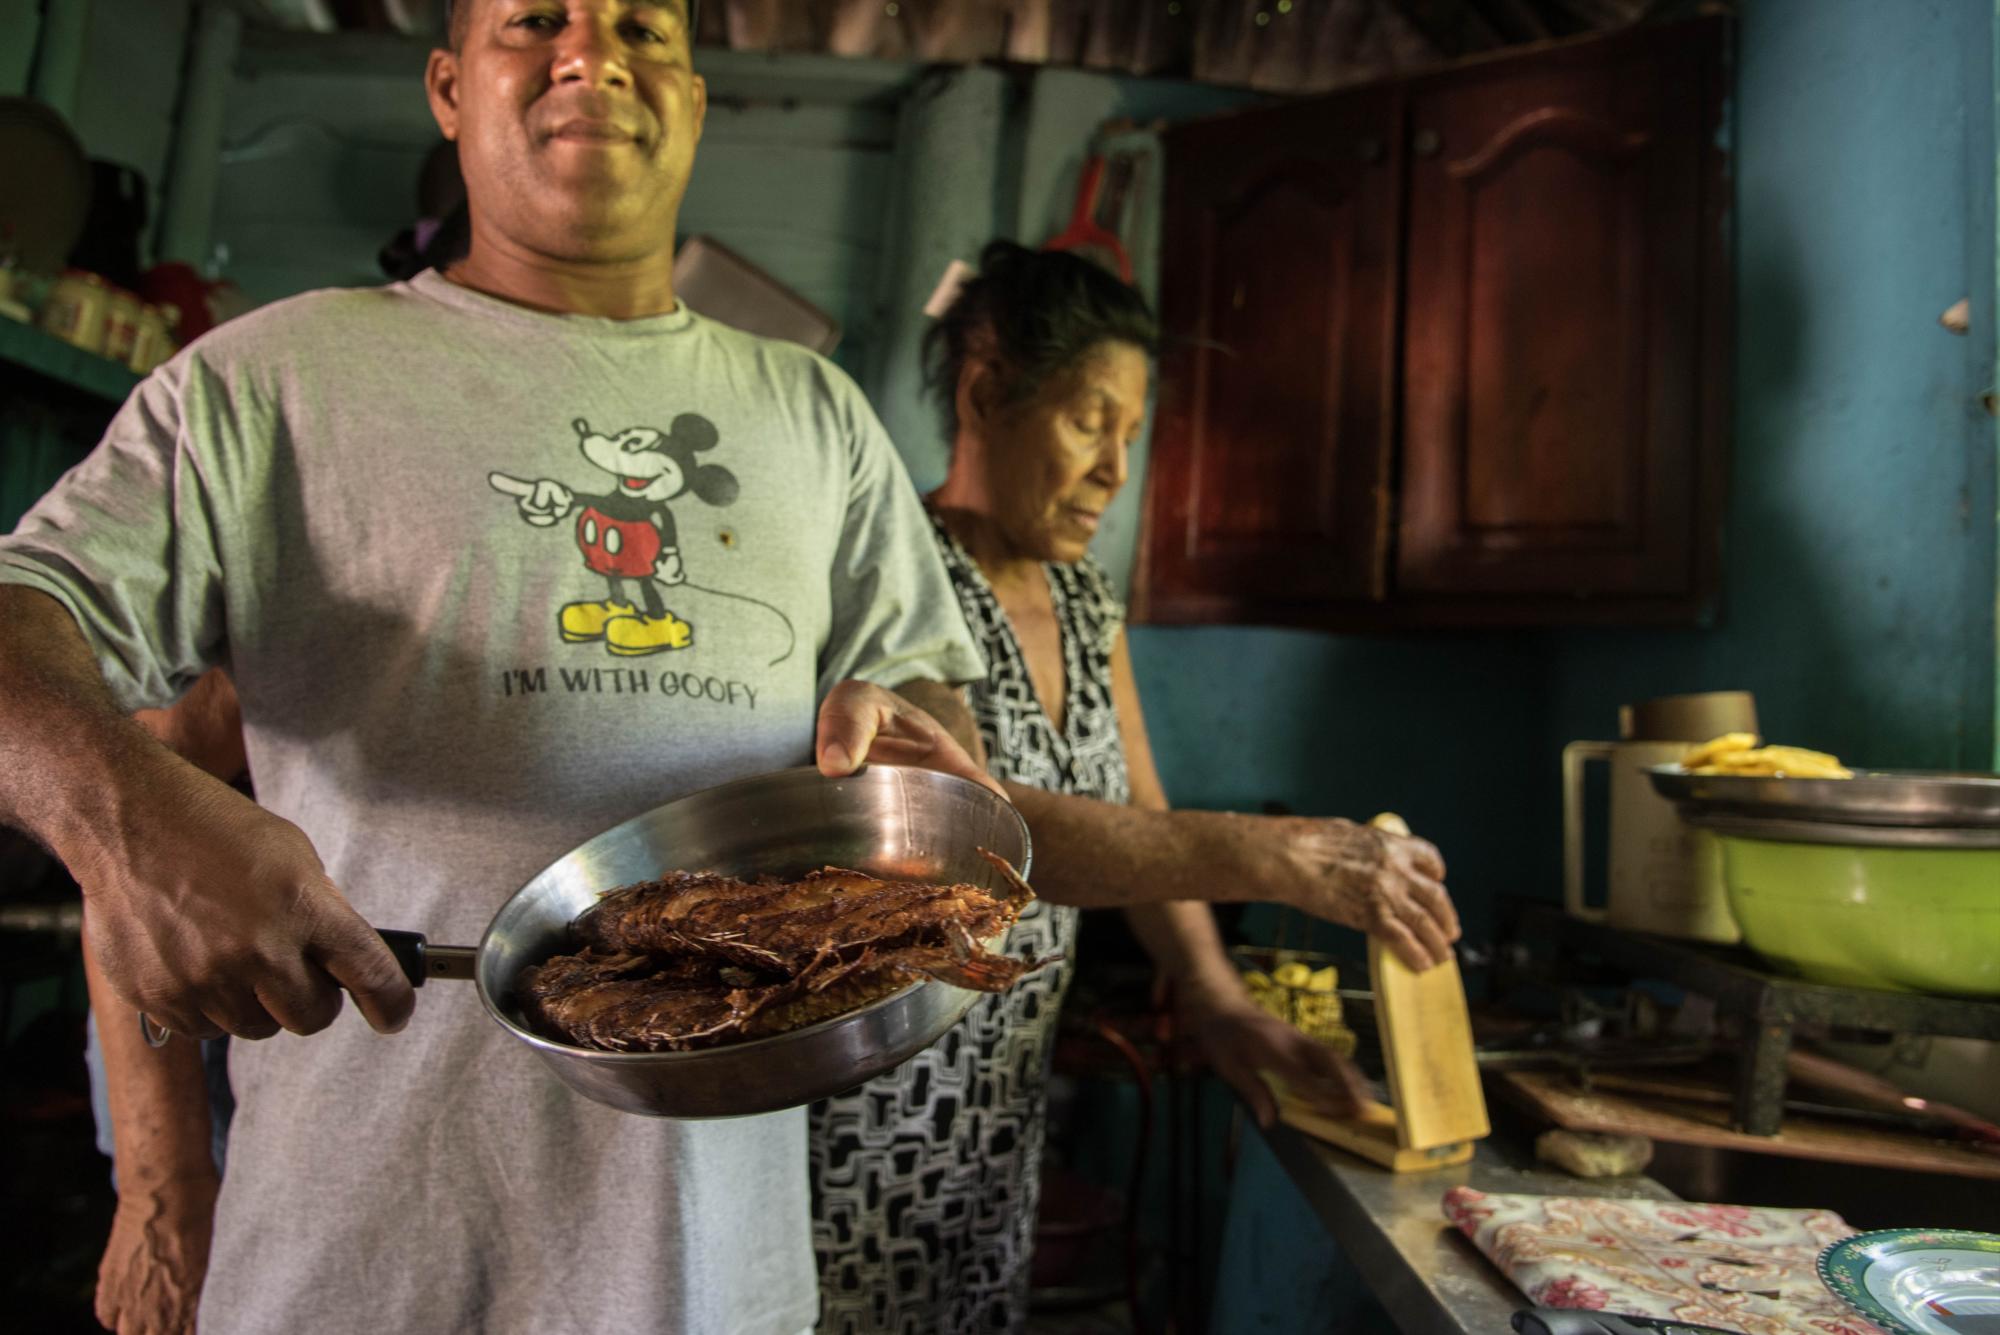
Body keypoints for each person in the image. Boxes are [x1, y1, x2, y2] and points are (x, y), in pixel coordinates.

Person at [0, 2, 995, 1331]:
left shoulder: (821, 418)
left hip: (702, 1277)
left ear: (695, 101)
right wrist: (124, 824)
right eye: (537, 19)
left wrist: (908, 749)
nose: (595, 52)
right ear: (448, 87)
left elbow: (927, 710)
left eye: (643, 27)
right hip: (354, 1264)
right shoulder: (271, 380)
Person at [808, 241, 1461, 1333]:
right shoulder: (902, 573)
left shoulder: (1084, 602)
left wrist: (1214, 997)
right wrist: (1281, 855)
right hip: (877, 1106)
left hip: (1000, 1114)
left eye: (1130, 432)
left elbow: (1140, 821)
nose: (1118, 469)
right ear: (986, 397)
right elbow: (979, 831)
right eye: (1087, 422)